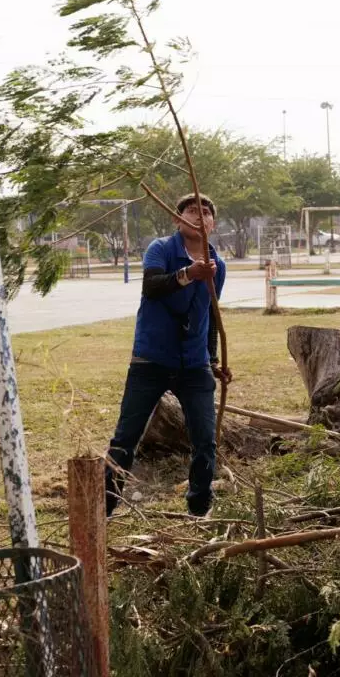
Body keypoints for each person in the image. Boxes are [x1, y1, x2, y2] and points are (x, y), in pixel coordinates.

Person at [104, 193, 231, 517]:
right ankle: (103, 507)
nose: (199, 216)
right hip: (151, 359)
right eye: (192, 210)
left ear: (213, 224)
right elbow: (152, 286)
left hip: (194, 364)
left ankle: (199, 510)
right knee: (126, 438)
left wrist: (213, 361)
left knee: (205, 441)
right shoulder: (160, 249)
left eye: (206, 212)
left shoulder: (218, 266)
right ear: (177, 219)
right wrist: (189, 274)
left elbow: (210, 315)